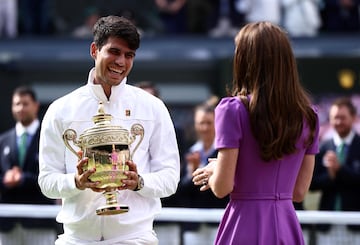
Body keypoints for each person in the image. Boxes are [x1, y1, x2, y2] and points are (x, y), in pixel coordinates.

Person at [38, 15, 180, 244]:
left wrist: (139, 182)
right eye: (114, 52)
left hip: (134, 238)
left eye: (129, 55)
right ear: (94, 50)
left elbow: (170, 178)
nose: (121, 62)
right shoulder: (60, 110)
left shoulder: (153, 107)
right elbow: (46, 182)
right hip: (77, 239)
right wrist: (75, 181)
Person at [192, 21, 319, 244]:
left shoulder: (232, 109)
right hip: (287, 226)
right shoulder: (309, 116)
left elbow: (222, 188)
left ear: (245, 59)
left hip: (244, 224)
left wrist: (214, 169)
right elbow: (299, 192)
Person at [0, 86, 57, 245]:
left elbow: (54, 176)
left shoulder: (49, 138)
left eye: (25, 103)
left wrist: (23, 179)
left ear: (36, 106)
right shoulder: (3, 140)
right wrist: (6, 180)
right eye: (16, 104)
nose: (20, 108)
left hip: (40, 223)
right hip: (7, 225)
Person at [179, 96, 229, 245]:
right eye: (201, 123)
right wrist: (193, 171)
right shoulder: (190, 152)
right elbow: (182, 190)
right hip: (194, 225)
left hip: (219, 222)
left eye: (209, 123)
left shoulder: (225, 153)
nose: (205, 128)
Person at [310, 97, 360, 244]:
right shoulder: (323, 147)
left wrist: (340, 169)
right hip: (327, 224)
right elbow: (311, 184)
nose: (338, 122)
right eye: (334, 118)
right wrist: (329, 176)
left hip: (356, 224)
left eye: (342, 118)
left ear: (353, 118)